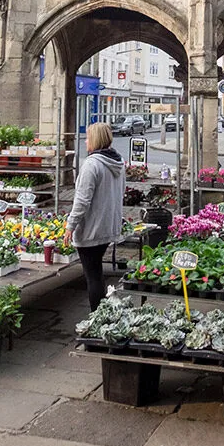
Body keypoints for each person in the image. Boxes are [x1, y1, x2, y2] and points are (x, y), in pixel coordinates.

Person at [66, 122, 125, 311]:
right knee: (97, 272)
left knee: (93, 276)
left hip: (91, 228)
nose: (85, 141)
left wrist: (70, 225)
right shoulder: (118, 162)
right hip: (108, 226)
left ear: (96, 140)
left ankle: (97, 318)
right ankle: (102, 315)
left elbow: (82, 201)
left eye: (88, 138)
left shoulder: (92, 164)